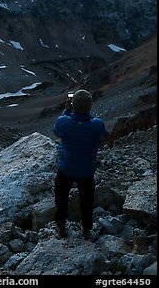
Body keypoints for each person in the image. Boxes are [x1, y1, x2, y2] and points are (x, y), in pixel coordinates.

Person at [53, 89, 107, 240]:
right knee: (87, 201)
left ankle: (61, 227)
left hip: (66, 169)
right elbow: (97, 129)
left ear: (72, 104)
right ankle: (86, 229)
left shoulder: (64, 122)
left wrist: (67, 110)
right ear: (90, 106)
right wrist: (83, 112)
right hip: (86, 171)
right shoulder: (97, 125)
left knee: (61, 198)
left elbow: (56, 130)